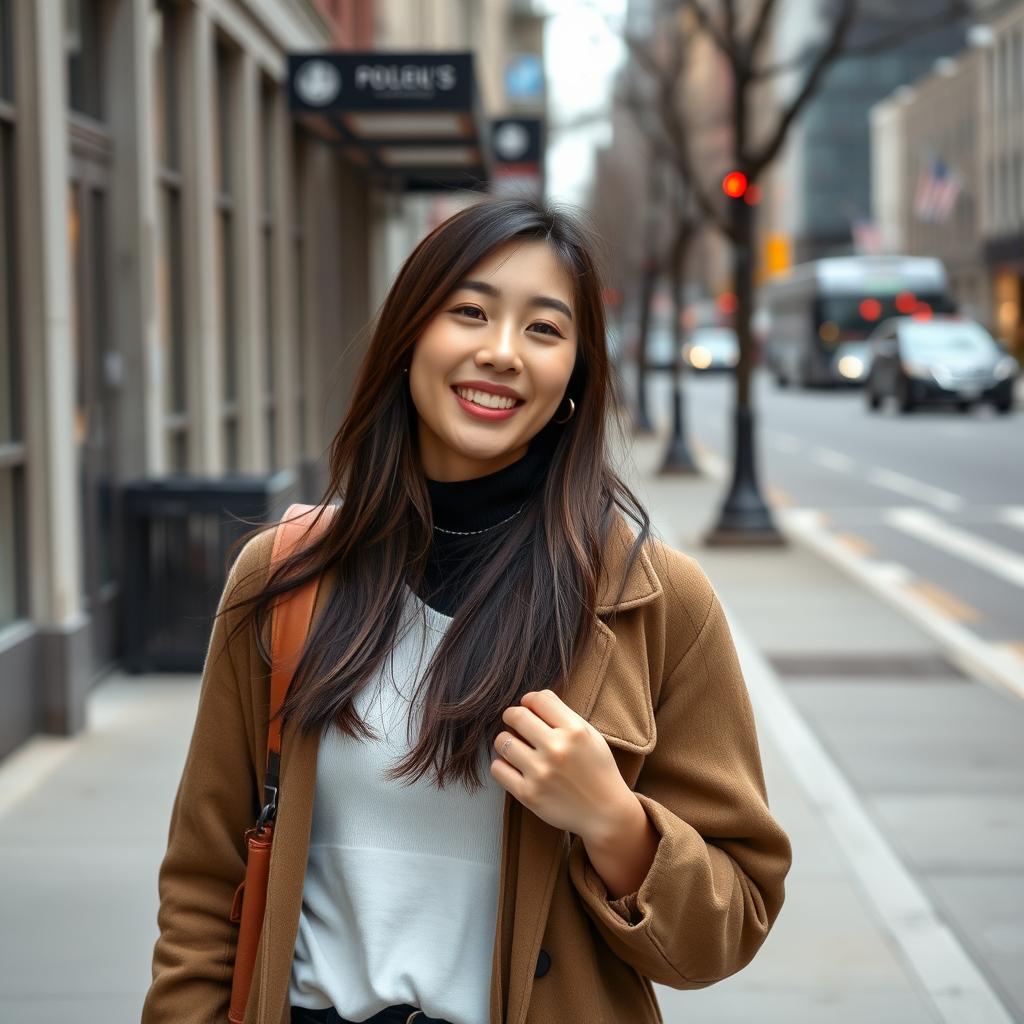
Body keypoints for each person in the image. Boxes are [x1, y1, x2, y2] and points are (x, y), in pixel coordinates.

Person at [141, 195, 791, 1024]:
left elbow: (729, 925)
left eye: (545, 330)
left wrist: (615, 823)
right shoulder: (283, 576)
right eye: (470, 312)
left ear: (574, 380)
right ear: (411, 334)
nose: (501, 352)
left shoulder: (656, 602)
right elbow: (203, 886)